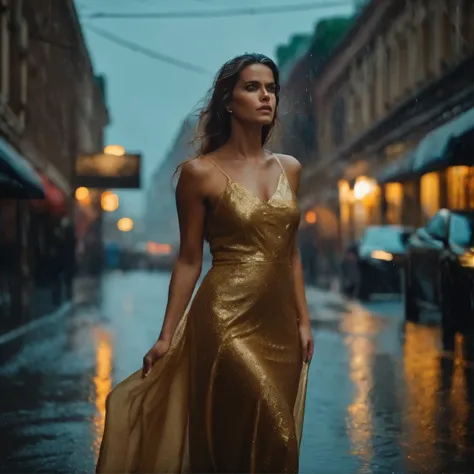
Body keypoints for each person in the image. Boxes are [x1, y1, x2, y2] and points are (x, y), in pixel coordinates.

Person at [96, 53, 314, 474]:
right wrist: (166, 335)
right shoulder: (200, 174)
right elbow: (189, 260)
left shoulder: (291, 169)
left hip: (280, 328)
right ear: (229, 101)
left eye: (271, 88)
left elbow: (291, 252)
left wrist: (303, 321)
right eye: (253, 87)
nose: (265, 96)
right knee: (269, 422)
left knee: (272, 442)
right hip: (224, 320)